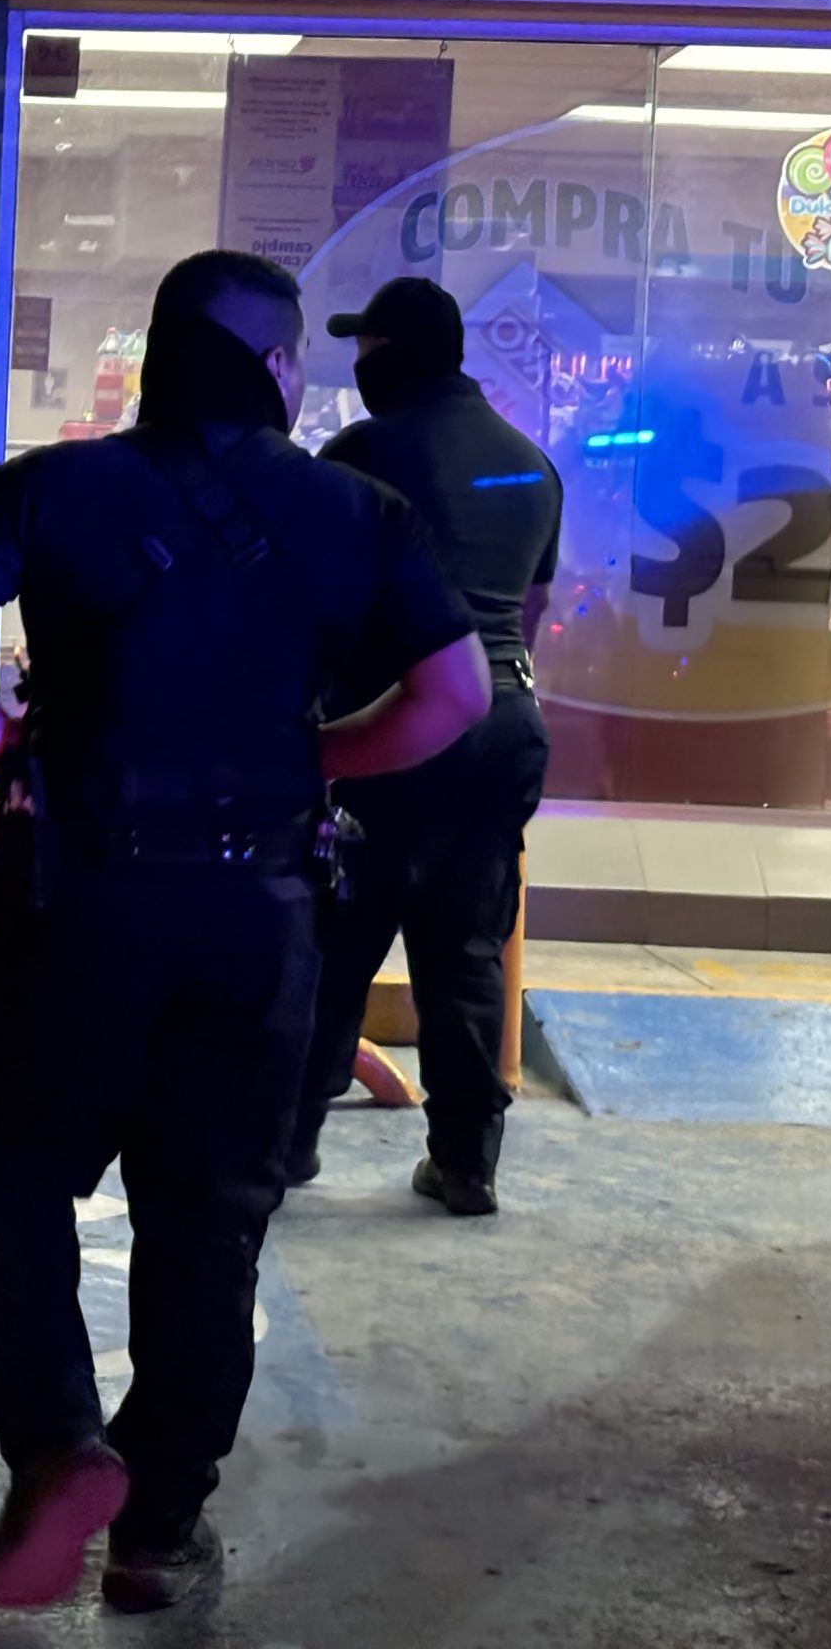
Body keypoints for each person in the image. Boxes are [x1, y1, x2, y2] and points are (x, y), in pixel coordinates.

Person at [0, 250, 488, 1615]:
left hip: (76, 906)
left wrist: (11, 747)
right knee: (209, 1224)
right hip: (257, 915)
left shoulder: (51, 485)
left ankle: (56, 1445)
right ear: (272, 364)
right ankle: (157, 1531)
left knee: (9, 1181)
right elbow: (452, 698)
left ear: (161, 353)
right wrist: (314, 758)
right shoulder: (357, 510)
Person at [289, 277, 562, 1216]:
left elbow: (314, 601)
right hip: (503, 725)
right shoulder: (532, 465)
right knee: (467, 945)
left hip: (390, 721)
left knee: (333, 941)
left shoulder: (361, 453)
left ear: (392, 355)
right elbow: (529, 611)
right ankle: (466, 1163)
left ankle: (286, 1144)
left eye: (364, 347)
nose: (357, 364)